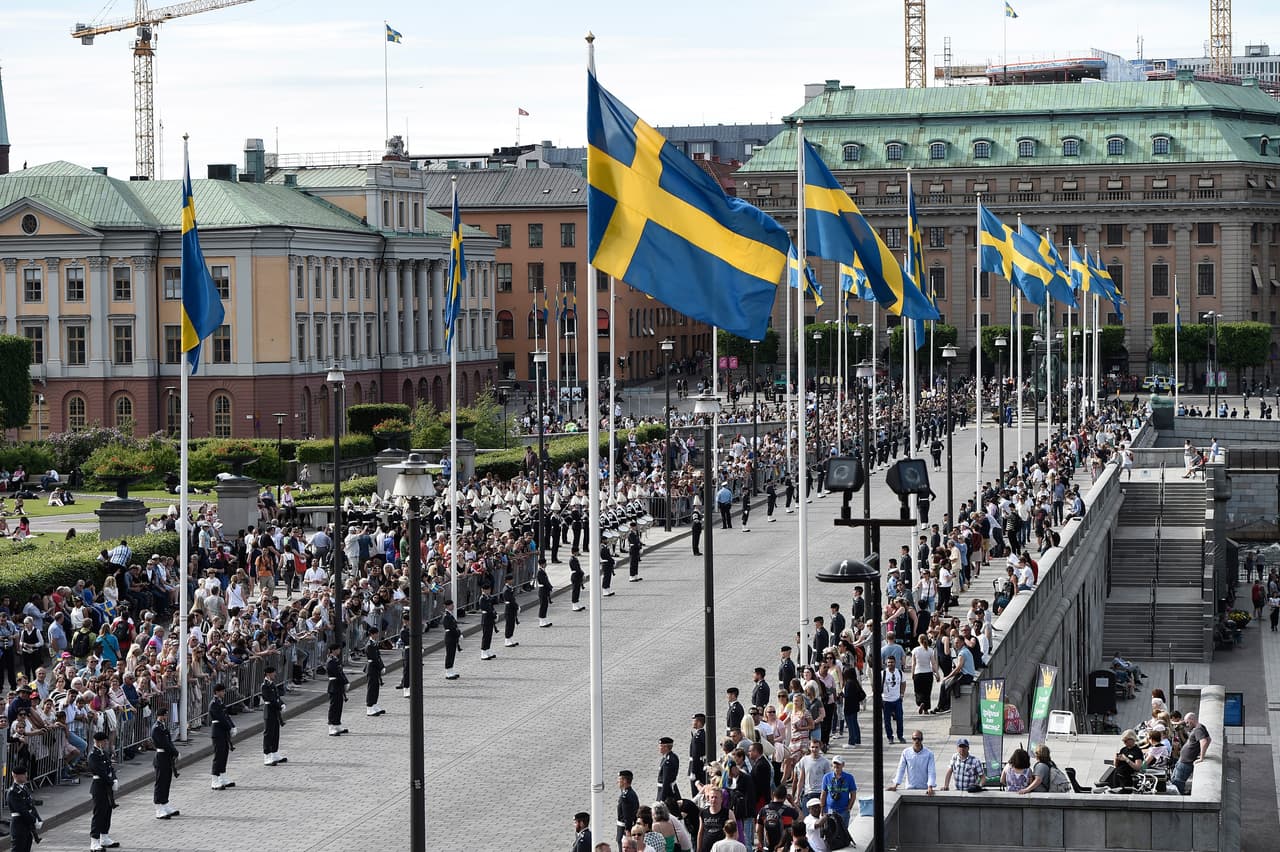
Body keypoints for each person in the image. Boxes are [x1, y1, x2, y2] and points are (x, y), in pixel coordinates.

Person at [88, 729, 120, 850]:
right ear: (98, 742)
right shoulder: (93, 755)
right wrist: (111, 781)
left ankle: (104, 836)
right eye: (104, 741)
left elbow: (110, 768)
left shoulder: (104, 753)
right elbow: (100, 771)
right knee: (99, 813)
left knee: (107, 812)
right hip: (99, 786)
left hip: (106, 786)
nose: (106, 743)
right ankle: (94, 840)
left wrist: (114, 778)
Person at [149, 703, 181, 819]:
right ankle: (158, 807)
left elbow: (169, 742)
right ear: (160, 715)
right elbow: (164, 743)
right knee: (160, 782)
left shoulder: (162, 726)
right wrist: (175, 752)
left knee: (166, 781)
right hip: (161, 756)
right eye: (165, 715)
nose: (166, 717)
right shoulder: (157, 728)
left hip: (166, 757)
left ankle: (165, 803)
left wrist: (174, 752)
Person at [1171, 711, 1210, 795]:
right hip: (1183, 760)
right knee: (1174, 779)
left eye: (1187, 722)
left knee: (1177, 782)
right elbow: (1209, 739)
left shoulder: (1198, 729)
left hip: (1186, 762)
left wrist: (1201, 757)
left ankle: (1179, 798)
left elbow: (1204, 741)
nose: (1187, 725)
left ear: (1192, 720)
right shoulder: (1200, 726)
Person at [5, 764, 42, 852]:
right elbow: (22, 810)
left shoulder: (24, 788)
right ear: (15, 776)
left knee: (26, 847)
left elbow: (31, 806)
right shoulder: (13, 792)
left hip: (26, 825)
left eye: (26, 774)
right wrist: (34, 820)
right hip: (19, 825)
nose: (26, 776)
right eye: (23, 774)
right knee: (18, 848)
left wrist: (38, 818)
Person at [889, 730, 936, 794]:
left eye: (919, 739)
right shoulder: (906, 752)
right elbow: (901, 769)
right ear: (912, 739)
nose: (916, 741)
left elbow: (931, 771)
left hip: (923, 788)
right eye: (914, 739)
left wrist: (930, 786)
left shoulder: (929, 754)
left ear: (922, 739)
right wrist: (895, 785)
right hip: (910, 787)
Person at [209, 682, 237, 788]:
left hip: (223, 731)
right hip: (218, 732)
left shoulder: (220, 703)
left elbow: (226, 716)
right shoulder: (214, 704)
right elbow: (220, 718)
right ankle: (214, 779)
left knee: (224, 754)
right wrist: (229, 727)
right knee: (218, 755)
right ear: (217, 692)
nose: (224, 693)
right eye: (222, 691)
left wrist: (233, 726)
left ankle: (222, 777)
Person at [262, 664, 287, 766]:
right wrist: (279, 705)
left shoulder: (272, 684)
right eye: (273, 673)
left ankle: (274, 753)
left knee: (275, 732)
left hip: (274, 711)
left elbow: (277, 697)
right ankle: (267, 755)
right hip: (269, 710)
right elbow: (270, 699)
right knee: (268, 733)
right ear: (268, 674)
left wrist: (282, 703)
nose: (275, 674)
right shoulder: (265, 685)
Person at [821, 755, 855, 827]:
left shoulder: (849, 777)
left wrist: (848, 808)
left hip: (843, 811)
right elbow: (823, 794)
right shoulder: (827, 777)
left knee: (843, 831)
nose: (836, 767)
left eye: (838, 764)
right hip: (830, 810)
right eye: (835, 764)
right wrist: (822, 808)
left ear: (843, 765)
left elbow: (853, 795)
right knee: (830, 830)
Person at [325, 643, 349, 736]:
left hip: (338, 685)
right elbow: (337, 674)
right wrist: (344, 682)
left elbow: (341, 672)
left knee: (339, 706)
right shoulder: (331, 661)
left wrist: (346, 682)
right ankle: (331, 726)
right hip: (334, 685)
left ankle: (337, 724)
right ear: (333, 650)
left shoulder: (335, 660)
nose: (339, 650)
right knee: (334, 707)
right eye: (338, 649)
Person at [364, 625, 386, 715]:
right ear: (372, 634)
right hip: (372, 667)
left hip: (375, 667)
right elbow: (374, 658)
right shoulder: (370, 645)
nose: (377, 635)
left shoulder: (374, 644)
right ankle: (369, 706)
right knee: (371, 687)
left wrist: (382, 666)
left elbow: (378, 657)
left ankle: (374, 704)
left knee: (376, 687)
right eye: (376, 633)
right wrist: (380, 667)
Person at [617, 770, 640, 848]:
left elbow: (627, 815)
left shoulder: (625, 796)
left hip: (623, 828)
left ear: (624, 781)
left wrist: (627, 830)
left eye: (619, 779)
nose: (618, 781)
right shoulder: (631, 793)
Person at [442, 598, 461, 679]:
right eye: (451, 605)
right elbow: (450, 627)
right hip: (450, 636)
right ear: (447, 606)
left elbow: (454, 626)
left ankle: (451, 670)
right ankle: (448, 672)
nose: (452, 606)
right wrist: (457, 634)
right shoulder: (446, 616)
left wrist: (458, 633)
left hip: (452, 636)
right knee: (449, 654)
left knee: (452, 654)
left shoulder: (450, 615)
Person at [479, 580, 498, 659]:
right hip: (486, 618)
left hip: (490, 618)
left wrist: (495, 614)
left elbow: (492, 606)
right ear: (483, 590)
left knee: (489, 635)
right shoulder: (482, 598)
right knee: (486, 636)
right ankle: (483, 652)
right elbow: (486, 608)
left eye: (489, 590)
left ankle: (487, 650)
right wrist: (493, 615)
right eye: (486, 590)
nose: (488, 591)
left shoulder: (488, 597)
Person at [658, 736, 681, 802]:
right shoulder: (672, 756)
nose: (659, 748)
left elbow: (666, 781)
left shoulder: (668, 761)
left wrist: (662, 798)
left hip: (667, 792)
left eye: (660, 746)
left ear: (666, 747)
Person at [502, 573, 521, 647]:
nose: (512, 580)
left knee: (512, 624)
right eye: (511, 579)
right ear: (507, 580)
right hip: (509, 608)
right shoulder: (506, 589)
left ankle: (510, 639)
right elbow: (511, 600)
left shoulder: (509, 588)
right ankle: (507, 640)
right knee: (509, 625)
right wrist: (517, 607)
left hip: (511, 608)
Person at [537, 560, 555, 627]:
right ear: (542, 564)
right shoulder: (540, 572)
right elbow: (544, 582)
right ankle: (541, 621)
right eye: (545, 563)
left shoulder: (542, 571)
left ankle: (544, 620)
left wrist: (550, 587)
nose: (546, 564)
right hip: (542, 590)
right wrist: (550, 587)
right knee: (543, 606)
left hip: (544, 590)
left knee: (545, 605)